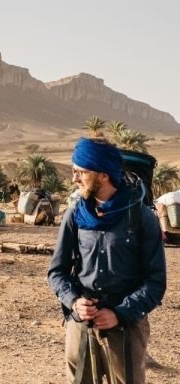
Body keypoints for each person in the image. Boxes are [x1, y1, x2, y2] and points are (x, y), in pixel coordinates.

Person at [47, 137, 166, 384]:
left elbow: (155, 282)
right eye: (73, 171)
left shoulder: (141, 218)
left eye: (80, 172)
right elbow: (56, 272)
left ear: (103, 175)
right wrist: (74, 302)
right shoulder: (74, 215)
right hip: (81, 323)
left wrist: (119, 314)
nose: (74, 179)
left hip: (126, 327)